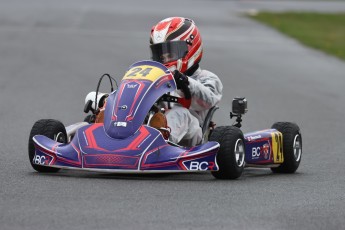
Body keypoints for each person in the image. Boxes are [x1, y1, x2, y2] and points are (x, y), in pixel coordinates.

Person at [149, 17, 223, 146]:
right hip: (154, 127)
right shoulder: (157, 78)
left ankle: (157, 145)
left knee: (179, 113)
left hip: (194, 136)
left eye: (170, 55)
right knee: (105, 99)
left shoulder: (207, 78)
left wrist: (185, 82)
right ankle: (114, 139)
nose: (165, 60)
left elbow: (208, 100)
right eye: (161, 56)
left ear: (190, 49)